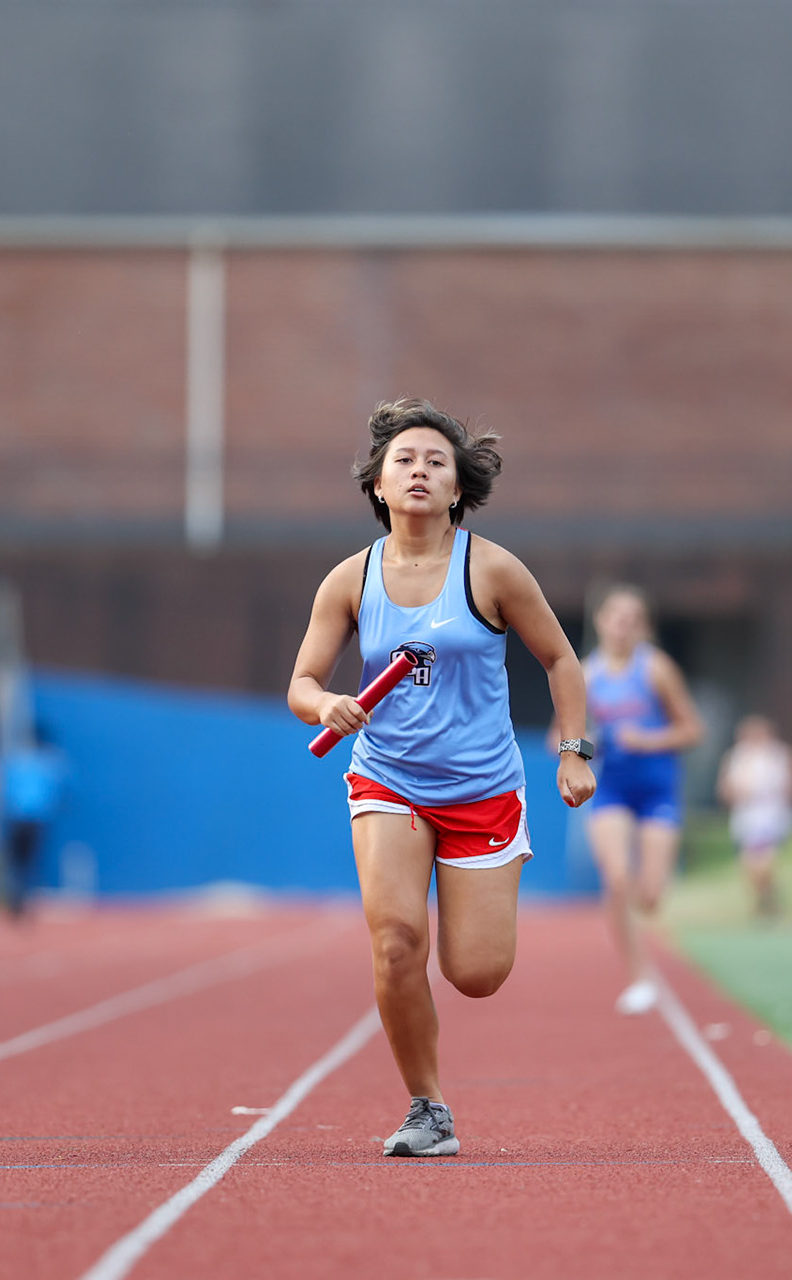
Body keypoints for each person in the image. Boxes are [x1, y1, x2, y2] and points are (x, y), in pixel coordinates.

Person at [289, 399, 595, 1158]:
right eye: (404, 461)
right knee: (395, 943)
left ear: (457, 488)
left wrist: (573, 749)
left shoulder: (490, 568)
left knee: (477, 973)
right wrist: (327, 702)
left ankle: (445, 1048)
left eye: (435, 462)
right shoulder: (350, 579)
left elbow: (560, 659)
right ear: (379, 484)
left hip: (482, 788)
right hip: (387, 780)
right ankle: (428, 1108)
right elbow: (301, 681)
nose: (419, 471)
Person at [582, 585, 703, 1014]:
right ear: (600, 621)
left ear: (644, 627)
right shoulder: (586, 675)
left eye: (633, 618)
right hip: (612, 788)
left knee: (649, 895)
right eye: (616, 615)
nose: (623, 625)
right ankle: (638, 977)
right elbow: (561, 739)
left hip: (657, 790)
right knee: (617, 879)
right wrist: (587, 746)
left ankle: (645, 927)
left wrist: (647, 739)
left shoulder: (656, 669)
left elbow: (692, 729)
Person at [716, 714, 792, 921]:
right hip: (746, 815)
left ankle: (767, 893)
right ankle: (764, 895)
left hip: (772, 814)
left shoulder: (780, 755)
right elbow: (725, 787)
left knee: (765, 859)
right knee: (749, 863)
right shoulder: (736, 757)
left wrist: (791, 799)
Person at [0, 732, 68, 918]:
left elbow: (2, 788)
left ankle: (15, 901)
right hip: (37, 820)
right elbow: (60, 789)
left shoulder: (13, 761)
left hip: (15, 818)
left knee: (15, 862)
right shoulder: (49, 763)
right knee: (31, 863)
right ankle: (27, 902)